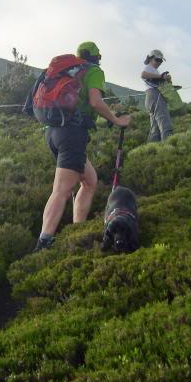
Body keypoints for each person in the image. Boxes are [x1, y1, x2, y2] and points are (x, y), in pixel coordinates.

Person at [34, 42, 132, 252]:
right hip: (72, 135)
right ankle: (43, 242)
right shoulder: (94, 71)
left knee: (89, 181)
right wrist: (116, 120)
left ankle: (78, 230)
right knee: (61, 191)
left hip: (52, 132)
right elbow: (95, 102)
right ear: (96, 56)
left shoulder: (66, 71)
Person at [141, 49, 174, 142]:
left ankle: (152, 151)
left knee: (155, 129)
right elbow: (143, 75)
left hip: (150, 98)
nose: (159, 62)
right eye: (157, 60)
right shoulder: (149, 68)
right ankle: (169, 148)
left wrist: (166, 79)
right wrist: (161, 76)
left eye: (161, 61)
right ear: (151, 58)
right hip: (155, 95)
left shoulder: (154, 70)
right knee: (165, 123)